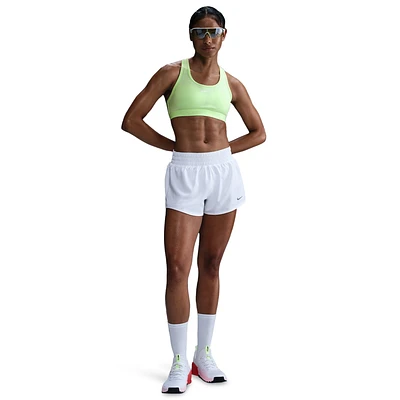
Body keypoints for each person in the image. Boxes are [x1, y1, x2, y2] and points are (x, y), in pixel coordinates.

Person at [121, 6, 266, 394]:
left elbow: (259, 132)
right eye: (200, 32)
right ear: (191, 35)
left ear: (224, 35)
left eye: (214, 31)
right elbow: (131, 120)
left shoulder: (233, 84)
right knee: (177, 267)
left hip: (222, 174)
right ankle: (179, 360)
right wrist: (174, 146)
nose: (208, 38)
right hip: (186, 173)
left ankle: (204, 353)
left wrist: (223, 151)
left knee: (212, 264)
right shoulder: (171, 73)